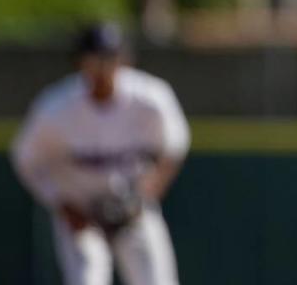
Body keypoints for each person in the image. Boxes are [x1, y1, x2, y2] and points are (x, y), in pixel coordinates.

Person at [11, 23, 189, 285]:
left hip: (132, 207)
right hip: (81, 209)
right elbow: (25, 159)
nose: (103, 67)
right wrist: (62, 204)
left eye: (110, 57)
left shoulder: (151, 98)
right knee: (87, 280)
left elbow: (174, 146)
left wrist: (147, 192)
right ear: (80, 62)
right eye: (95, 58)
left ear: (124, 59)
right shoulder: (56, 108)